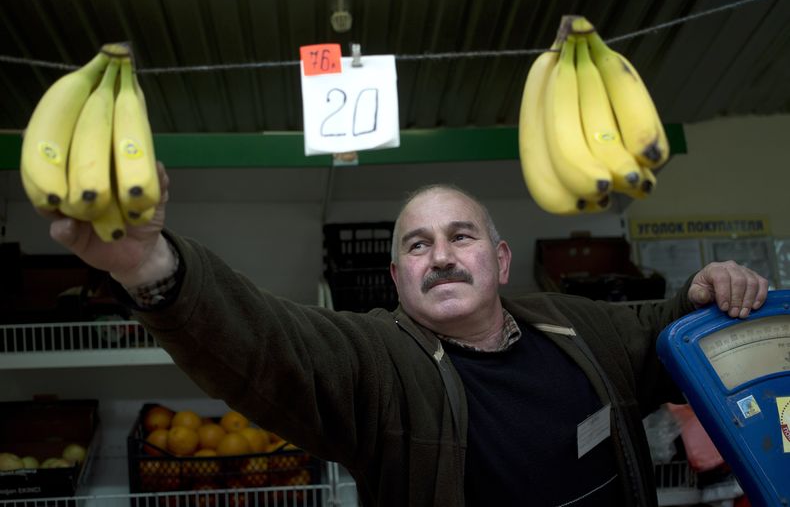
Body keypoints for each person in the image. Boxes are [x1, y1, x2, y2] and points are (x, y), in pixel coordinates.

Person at [47, 164, 768, 506]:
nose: (443, 255)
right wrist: (151, 267)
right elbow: (270, 344)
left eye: (461, 236)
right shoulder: (381, 365)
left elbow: (661, 332)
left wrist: (708, 292)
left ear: (501, 259)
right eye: (418, 246)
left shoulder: (574, 324)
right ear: (396, 278)